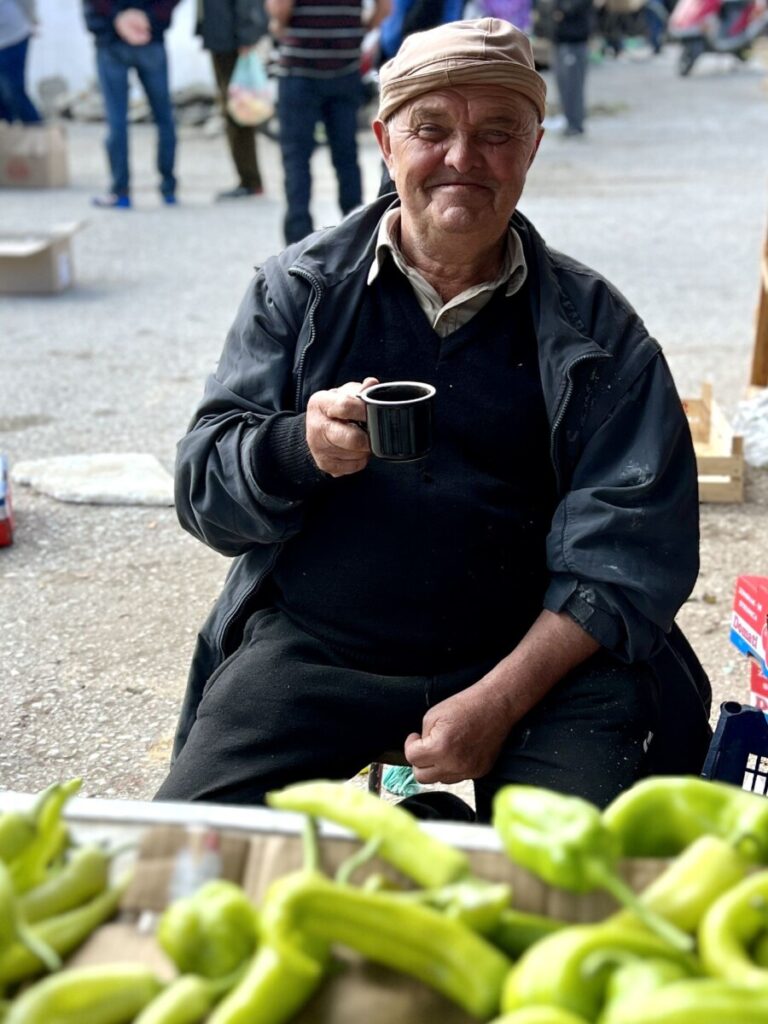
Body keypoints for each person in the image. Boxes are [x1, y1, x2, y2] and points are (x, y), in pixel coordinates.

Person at [156, 17, 713, 821]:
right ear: (385, 141)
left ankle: (436, 830)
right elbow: (201, 488)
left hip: (531, 657)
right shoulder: (298, 292)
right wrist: (297, 447)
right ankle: (423, 831)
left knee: (578, 890)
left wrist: (497, 699)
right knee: (184, 857)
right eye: (431, 129)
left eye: (496, 133)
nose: (462, 158)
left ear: (532, 148)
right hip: (322, 648)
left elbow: (627, 558)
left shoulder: (597, 332)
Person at [265, 0, 390, 244]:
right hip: (345, 68)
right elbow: (385, 8)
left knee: (297, 157)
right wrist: (359, 29)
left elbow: (280, 8)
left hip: (299, 71)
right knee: (346, 155)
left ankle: (298, 240)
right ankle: (355, 232)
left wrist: (277, 26)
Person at [82, 1, 180, 209]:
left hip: (113, 38)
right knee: (164, 117)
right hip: (147, 36)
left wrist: (118, 16)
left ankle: (121, 191)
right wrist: (149, 15)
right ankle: (168, 188)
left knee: (117, 119)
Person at [196, 0, 267, 200]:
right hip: (224, 36)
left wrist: (247, 35)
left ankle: (250, 180)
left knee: (238, 109)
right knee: (234, 109)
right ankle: (249, 179)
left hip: (231, 38)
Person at [551, 0, 593, 136]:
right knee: (563, 85)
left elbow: (570, 7)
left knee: (573, 86)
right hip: (560, 39)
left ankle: (575, 124)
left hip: (575, 41)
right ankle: (568, 121)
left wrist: (559, 10)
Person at [0, 0, 42, 123]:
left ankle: (37, 133)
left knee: (14, 92)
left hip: (12, 36)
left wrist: (32, 19)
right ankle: (8, 135)